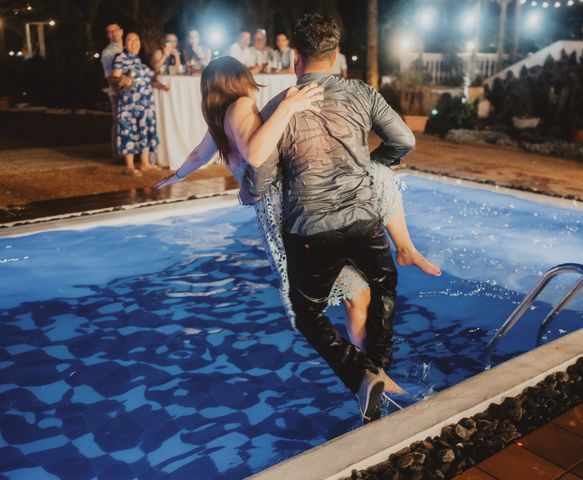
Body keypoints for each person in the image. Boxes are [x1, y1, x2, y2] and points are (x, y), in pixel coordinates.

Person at [155, 52, 440, 403]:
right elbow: (257, 156)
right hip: (291, 209)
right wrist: (289, 107)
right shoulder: (242, 105)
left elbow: (200, 155)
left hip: (279, 217)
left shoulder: (221, 118)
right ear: (237, 79)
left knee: (355, 294)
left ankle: (372, 379)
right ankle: (376, 375)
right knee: (375, 185)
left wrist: (176, 176)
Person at [249, 13, 439, 423]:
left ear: (295, 59)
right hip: (363, 222)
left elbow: (261, 178)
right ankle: (380, 371)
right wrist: (370, 166)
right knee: (384, 287)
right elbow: (404, 141)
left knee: (308, 314)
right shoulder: (361, 93)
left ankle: (362, 376)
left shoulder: (279, 107)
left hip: (310, 229)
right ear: (334, 58)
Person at [112, 33, 170, 176]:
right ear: (125, 45)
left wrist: (162, 86)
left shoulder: (140, 62)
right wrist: (122, 81)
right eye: (130, 40)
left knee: (144, 130)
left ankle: (145, 163)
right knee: (129, 131)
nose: (133, 42)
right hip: (129, 104)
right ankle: (130, 166)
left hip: (145, 104)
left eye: (136, 39)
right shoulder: (121, 58)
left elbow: (149, 80)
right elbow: (115, 78)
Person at [101, 23, 124, 160]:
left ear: (121, 31)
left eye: (116, 30)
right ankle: (116, 153)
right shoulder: (108, 52)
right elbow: (109, 75)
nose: (113, 33)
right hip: (117, 92)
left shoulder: (126, 47)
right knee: (118, 120)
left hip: (127, 91)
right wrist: (118, 91)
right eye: (110, 32)